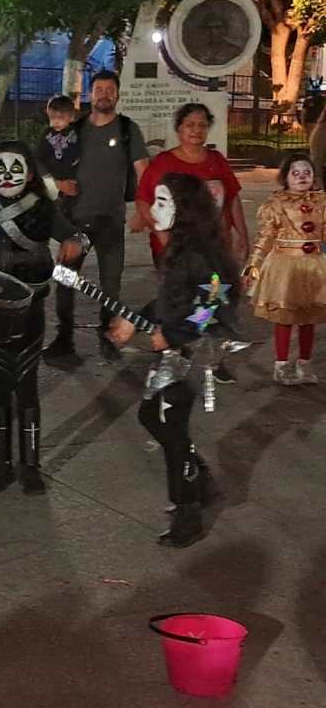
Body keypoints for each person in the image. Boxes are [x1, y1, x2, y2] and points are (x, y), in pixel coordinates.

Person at [0, 141, 88, 495]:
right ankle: (0, 465)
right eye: (0, 169)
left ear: (30, 172)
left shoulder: (43, 208)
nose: (7, 176)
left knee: (26, 386)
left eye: (16, 168)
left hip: (30, 309)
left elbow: (77, 236)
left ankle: (30, 466)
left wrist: (74, 243)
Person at [108, 173, 239, 547]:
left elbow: (213, 303)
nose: (153, 209)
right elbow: (171, 300)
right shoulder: (178, 249)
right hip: (174, 352)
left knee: (172, 426)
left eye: (163, 202)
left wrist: (175, 334)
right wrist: (135, 321)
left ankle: (188, 512)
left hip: (191, 354)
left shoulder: (200, 254)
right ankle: (199, 479)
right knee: (152, 417)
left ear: (186, 210)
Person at [133, 103, 247, 384]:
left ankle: (214, 358)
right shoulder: (164, 163)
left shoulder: (216, 160)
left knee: (215, 301)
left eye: (202, 125)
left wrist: (242, 235)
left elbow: (232, 197)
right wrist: (164, 238)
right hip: (176, 251)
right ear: (179, 129)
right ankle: (173, 353)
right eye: (190, 125)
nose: (196, 130)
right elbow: (144, 201)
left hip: (214, 249)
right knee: (177, 302)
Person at [44, 70, 149, 362]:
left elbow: (144, 171)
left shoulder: (128, 129)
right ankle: (64, 339)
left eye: (109, 89)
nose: (104, 94)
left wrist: (144, 209)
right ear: (90, 94)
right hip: (74, 221)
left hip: (111, 220)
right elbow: (49, 159)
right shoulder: (74, 129)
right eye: (99, 89)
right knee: (65, 280)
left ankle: (108, 337)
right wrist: (58, 183)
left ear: (117, 94)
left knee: (111, 285)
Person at [243, 153, 326, 385]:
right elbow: (264, 238)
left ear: (314, 176)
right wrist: (253, 266)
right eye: (295, 173)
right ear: (285, 177)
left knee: (309, 317)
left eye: (307, 172)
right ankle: (281, 365)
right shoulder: (276, 204)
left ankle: (304, 364)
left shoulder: (322, 202)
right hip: (285, 267)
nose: (302, 177)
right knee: (285, 317)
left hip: (314, 266)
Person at [34, 94, 79, 216]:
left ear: (71, 117)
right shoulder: (47, 134)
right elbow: (38, 157)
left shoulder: (76, 133)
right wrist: (50, 180)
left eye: (61, 117)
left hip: (72, 180)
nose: (57, 121)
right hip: (51, 180)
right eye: (53, 117)